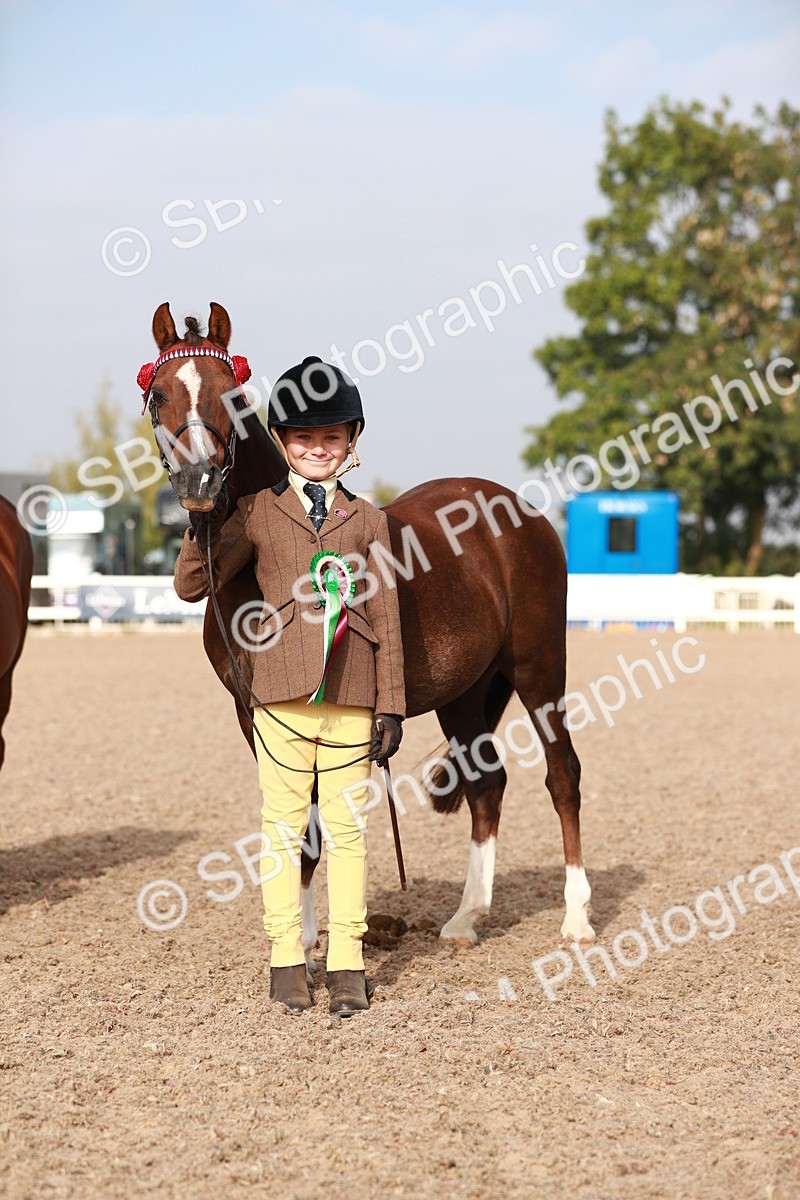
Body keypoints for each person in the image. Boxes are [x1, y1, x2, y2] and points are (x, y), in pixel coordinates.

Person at [173, 357, 405, 1016]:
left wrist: (392, 706)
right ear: (280, 440)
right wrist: (202, 520)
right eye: (303, 438)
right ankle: (284, 958)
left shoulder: (369, 523)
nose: (317, 449)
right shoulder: (254, 512)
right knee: (280, 832)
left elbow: (384, 616)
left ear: (351, 442)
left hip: (353, 694)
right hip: (277, 696)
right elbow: (193, 585)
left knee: (349, 833)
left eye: (332, 437)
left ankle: (349, 962)